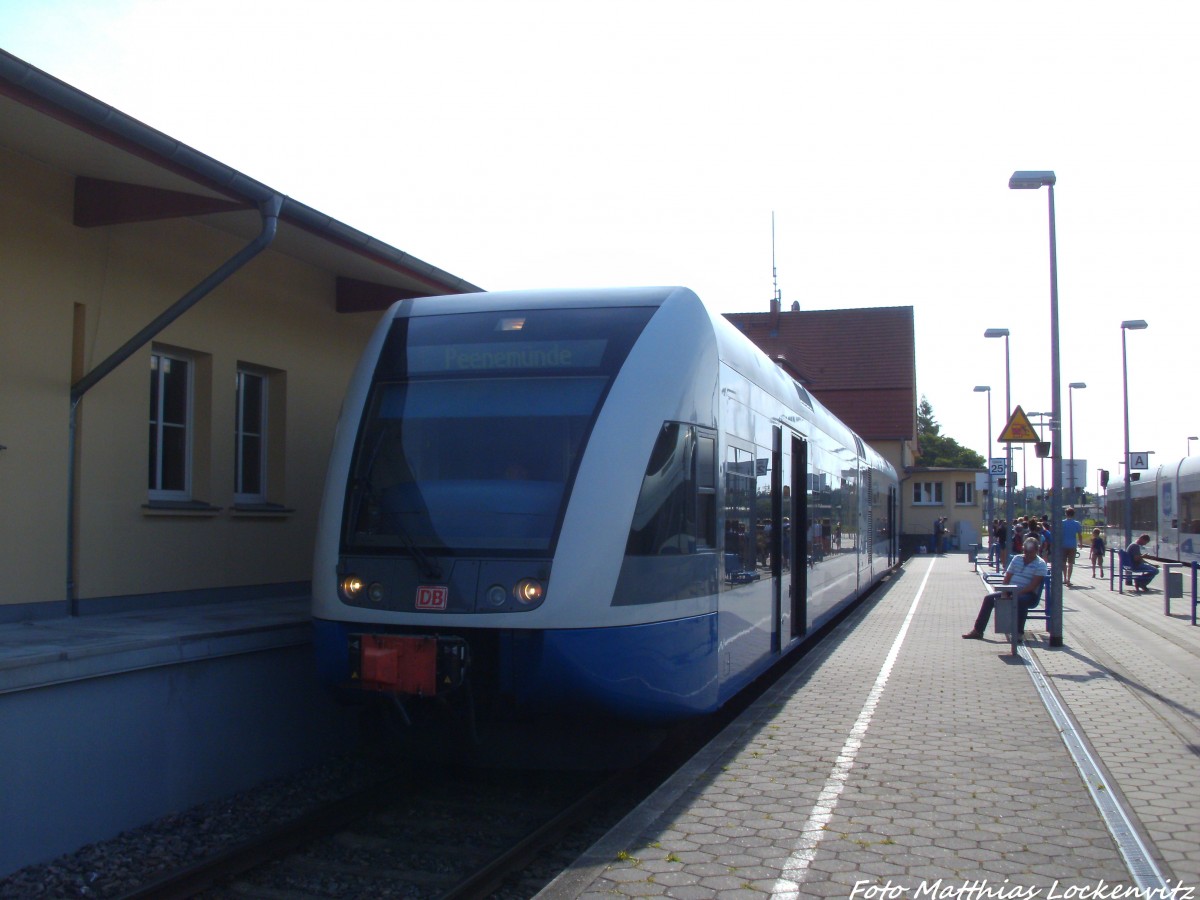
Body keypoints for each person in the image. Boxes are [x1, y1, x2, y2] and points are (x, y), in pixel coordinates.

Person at [962, 536, 1047, 639]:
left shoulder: (1041, 564)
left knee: (1020, 601)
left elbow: (1032, 586)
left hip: (1028, 594)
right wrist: (1004, 591)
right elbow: (1007, 577)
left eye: (1030, 552)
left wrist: (1015, 594)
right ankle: (978, 630)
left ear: (1037, 551)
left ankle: (1018, 633)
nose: (1028, 555)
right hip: (1011, 590)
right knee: (988, 599)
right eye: (1026, 551)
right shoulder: (1017, 559)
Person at [1060, 507, 1084, 586]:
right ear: (1073, 514)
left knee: (1063, 562)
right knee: (1070, 563)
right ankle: (1068, 580)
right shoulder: (1077, 523)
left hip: (1063, 544)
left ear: (1065, 514)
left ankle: (1064, 578)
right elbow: (1080, 535)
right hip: (1072, 545)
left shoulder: (1062, 523)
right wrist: (1080, 543)